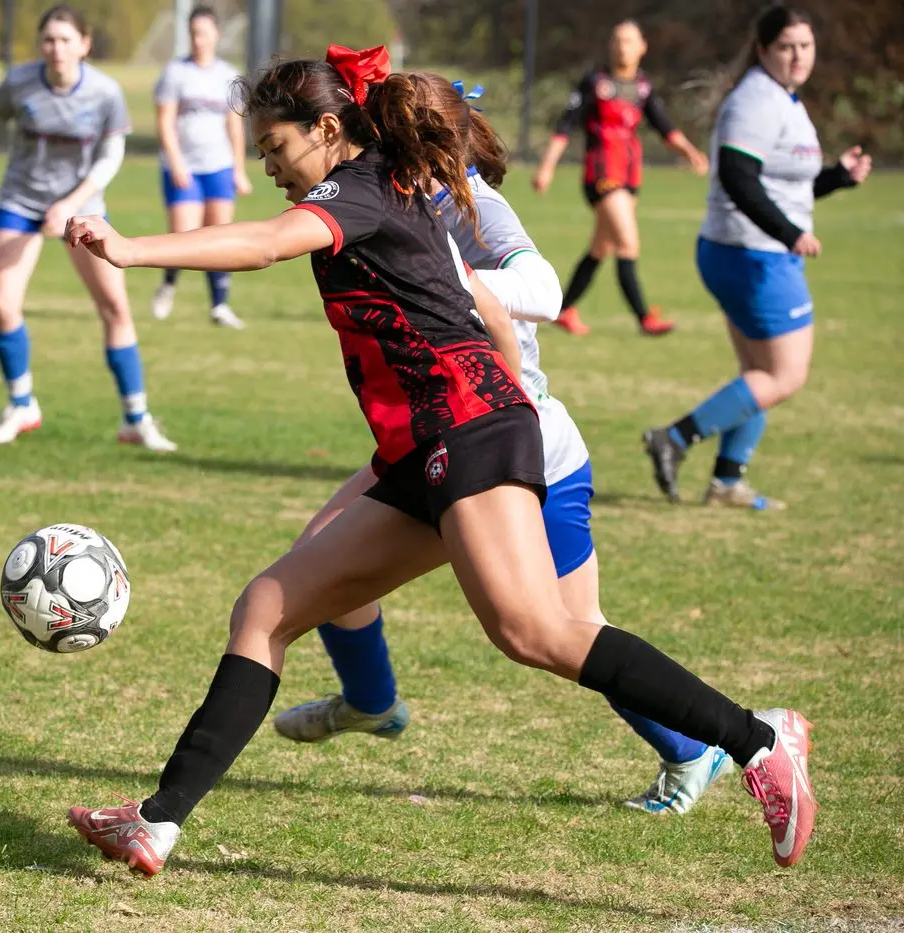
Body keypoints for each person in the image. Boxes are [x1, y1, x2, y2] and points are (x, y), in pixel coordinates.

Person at [61, 45, 816, 876]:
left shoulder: (349, 191)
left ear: (323, 128)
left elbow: (264, 244)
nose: (267, 165)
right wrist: (508, 394)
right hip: (435, 438)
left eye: (274, 148)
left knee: (535, 630)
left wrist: (131, 250)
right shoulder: (386, 174)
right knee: (268, 606)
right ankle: (157, 821)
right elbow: (478, 307)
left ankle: (758, 739)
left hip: (463, 430)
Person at [273, 72, 731, 816]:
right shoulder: (390, 193)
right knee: (317, 560)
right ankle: (371, 701)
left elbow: (545, 290)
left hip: (519, 442)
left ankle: (707, 744)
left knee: (561, 631)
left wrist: (444, 280)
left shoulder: (471, 203)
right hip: (448, 430)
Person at [643, 6, 870, 510]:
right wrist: (789, 233)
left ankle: (726, 481)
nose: (798, 56)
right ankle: (674, 439)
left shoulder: (784, 100)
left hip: (746, 251)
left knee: (758, 373)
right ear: (764, 48)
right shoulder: (757, 100)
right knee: (784, 376)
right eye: (787, 46)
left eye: (805, 46)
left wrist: (839, 176)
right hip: (753, 254)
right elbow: (739, 177)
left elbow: (784, 180)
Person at [0, 5, 177, 451]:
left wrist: (69, 204)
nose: (56, 48)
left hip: (82, 212)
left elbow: (111, 156)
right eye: (49, 40)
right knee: (3, 305)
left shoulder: (104, 92)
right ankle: (22, 405)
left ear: (84, 45)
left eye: (65, 40)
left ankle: (135, 419)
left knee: (115, 308)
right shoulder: (21, 82)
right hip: (20, 204)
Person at [532, 20, 708, 337]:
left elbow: (665, 127)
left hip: (629, 175)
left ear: (642, 47)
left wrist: (691, 152)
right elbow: (565, 127)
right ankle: (644, 318)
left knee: (601, 247)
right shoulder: (595, 82)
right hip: (602, 175)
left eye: (628, 41)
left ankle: (564, 309)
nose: (621, 46)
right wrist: (547, 167)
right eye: (616, 40)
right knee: (627, 243)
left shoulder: (642, 86)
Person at [150, 5, 253, 329]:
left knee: (218, 237)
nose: (198, 39)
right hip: (184, 168)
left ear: (216, 35)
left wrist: (238, 169)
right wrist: (177, 162)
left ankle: (219, 305)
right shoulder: (176, 73)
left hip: (218, 167)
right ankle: (168, 284)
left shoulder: (227, 75)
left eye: (204, 33)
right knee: (183, 234)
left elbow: (234, 126)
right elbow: (165, 121)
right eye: (193, 33)